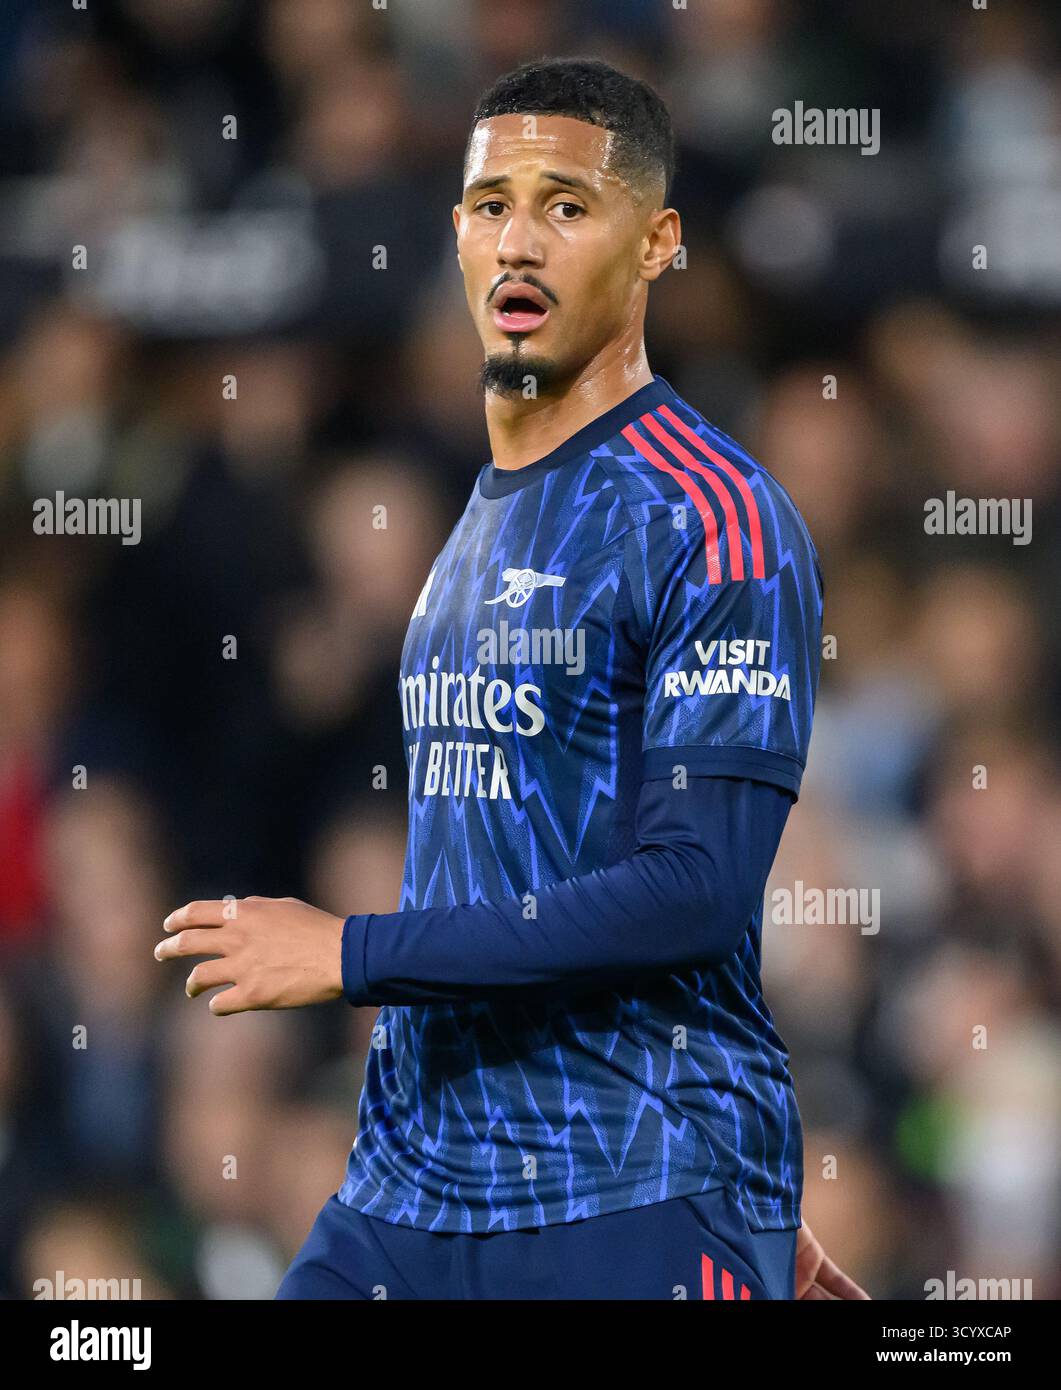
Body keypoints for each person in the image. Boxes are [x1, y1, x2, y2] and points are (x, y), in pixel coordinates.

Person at [156, 57, 869, 1301]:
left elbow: (693, 891)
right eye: (492, 206)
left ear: (655, 246)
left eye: (566, 205)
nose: (519, 242)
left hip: (621, 1177)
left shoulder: (713, 515)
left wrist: (352, 953)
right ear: (455, 236)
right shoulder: (471, 521)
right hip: (412, 1180)